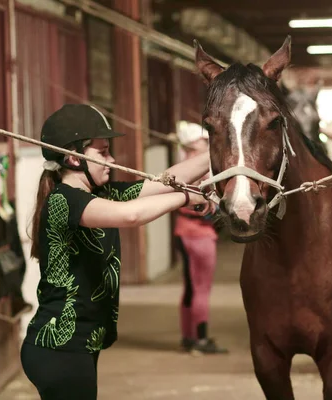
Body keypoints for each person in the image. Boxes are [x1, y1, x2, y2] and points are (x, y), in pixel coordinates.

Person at [20, 104, 211, 399]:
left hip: (77, 346)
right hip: (59, 348)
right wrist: (185, 197)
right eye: (103, 152)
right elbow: (131, 216)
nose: (112, 159)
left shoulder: (101, 193)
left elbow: (164, 180)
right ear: (74, 157)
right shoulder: (64, 200)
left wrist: (222, 152)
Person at [173, 121, 228, 355]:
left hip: (183, 232)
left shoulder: (179, 168)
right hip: (199, 235)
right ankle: (201, 340)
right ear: (191, 146)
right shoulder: (200, 172)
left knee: (190, 288)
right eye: (203, 142)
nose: (207, 144)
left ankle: (188, 336)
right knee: (201, 288)